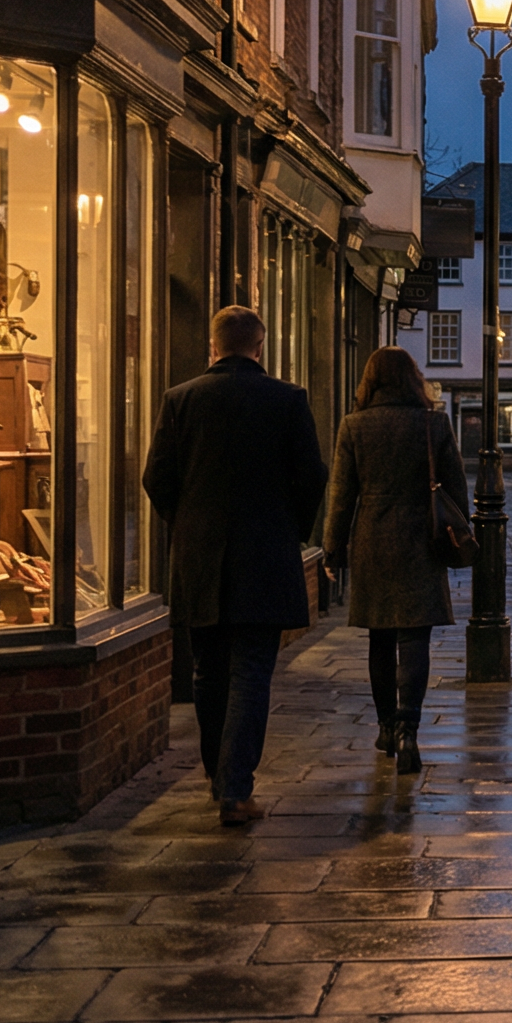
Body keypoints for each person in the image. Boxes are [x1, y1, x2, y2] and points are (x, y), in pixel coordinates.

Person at [142, 306, 329, 826]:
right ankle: (235, 787)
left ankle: (215, 772)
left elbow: (157, 477)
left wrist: (186, 524)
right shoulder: (287, 400)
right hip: (265, 555)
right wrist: (289, 528)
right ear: (260, 347)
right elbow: (311, 476)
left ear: (212, 345)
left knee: (207, 670)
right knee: (251, 670)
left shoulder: (180, 400)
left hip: (199, 558)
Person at [321, 348, 468, 776]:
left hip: (372, 540)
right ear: (412, 379)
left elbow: (341, 495)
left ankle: (386, 726)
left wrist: (333, 549)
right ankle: (409, 730)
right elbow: (456, 491)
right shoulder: (433, 423)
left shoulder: (353, 426)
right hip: (421, 540)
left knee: (380, 638)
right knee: (414, 637)